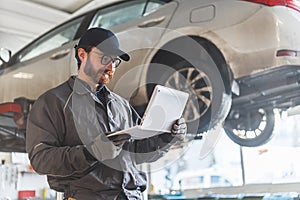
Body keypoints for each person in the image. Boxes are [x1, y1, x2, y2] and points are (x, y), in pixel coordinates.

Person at [26, 27, 187, 200]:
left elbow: (137, 152)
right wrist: (90, 153)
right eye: (104, 58)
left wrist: (167, 136)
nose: (110, 67)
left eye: (115, 61)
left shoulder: (122, 105)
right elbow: (41, 159)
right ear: (82, 55)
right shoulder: (54, 102)